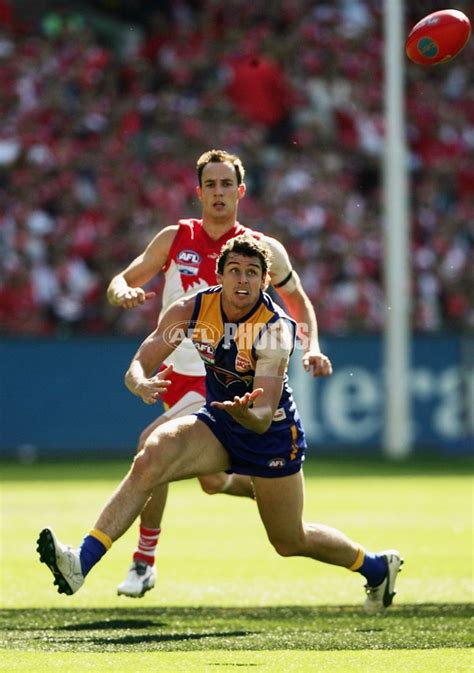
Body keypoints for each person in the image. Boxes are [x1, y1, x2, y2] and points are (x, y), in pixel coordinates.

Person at [37, 234, 403, 615]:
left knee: (289, 540)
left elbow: (261, 417)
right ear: (220, 275)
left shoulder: (275, 328)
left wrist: (248, 413)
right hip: (220, 423)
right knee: (151, 455)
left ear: (265, 281)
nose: (242, 280)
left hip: (272, 438)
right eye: (234, 271)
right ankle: (81, 562)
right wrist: (139, 381)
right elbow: (142, 360)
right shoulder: (192, 308)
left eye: (251, 273)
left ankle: (377, 567)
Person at [106, 149, 332, 598]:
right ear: (199, 192)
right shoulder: (175, 237)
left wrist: (312, 346)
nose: (218, 192)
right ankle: (269, 486)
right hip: (174, 374)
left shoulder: (260, 250)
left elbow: (298, 300)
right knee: (211, 483)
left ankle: (142, 561)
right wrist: (124, 292)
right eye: (210, 185)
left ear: (240, 191)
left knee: (150, 448)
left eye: (226, 184)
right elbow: (122, 280)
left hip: (222, 378)